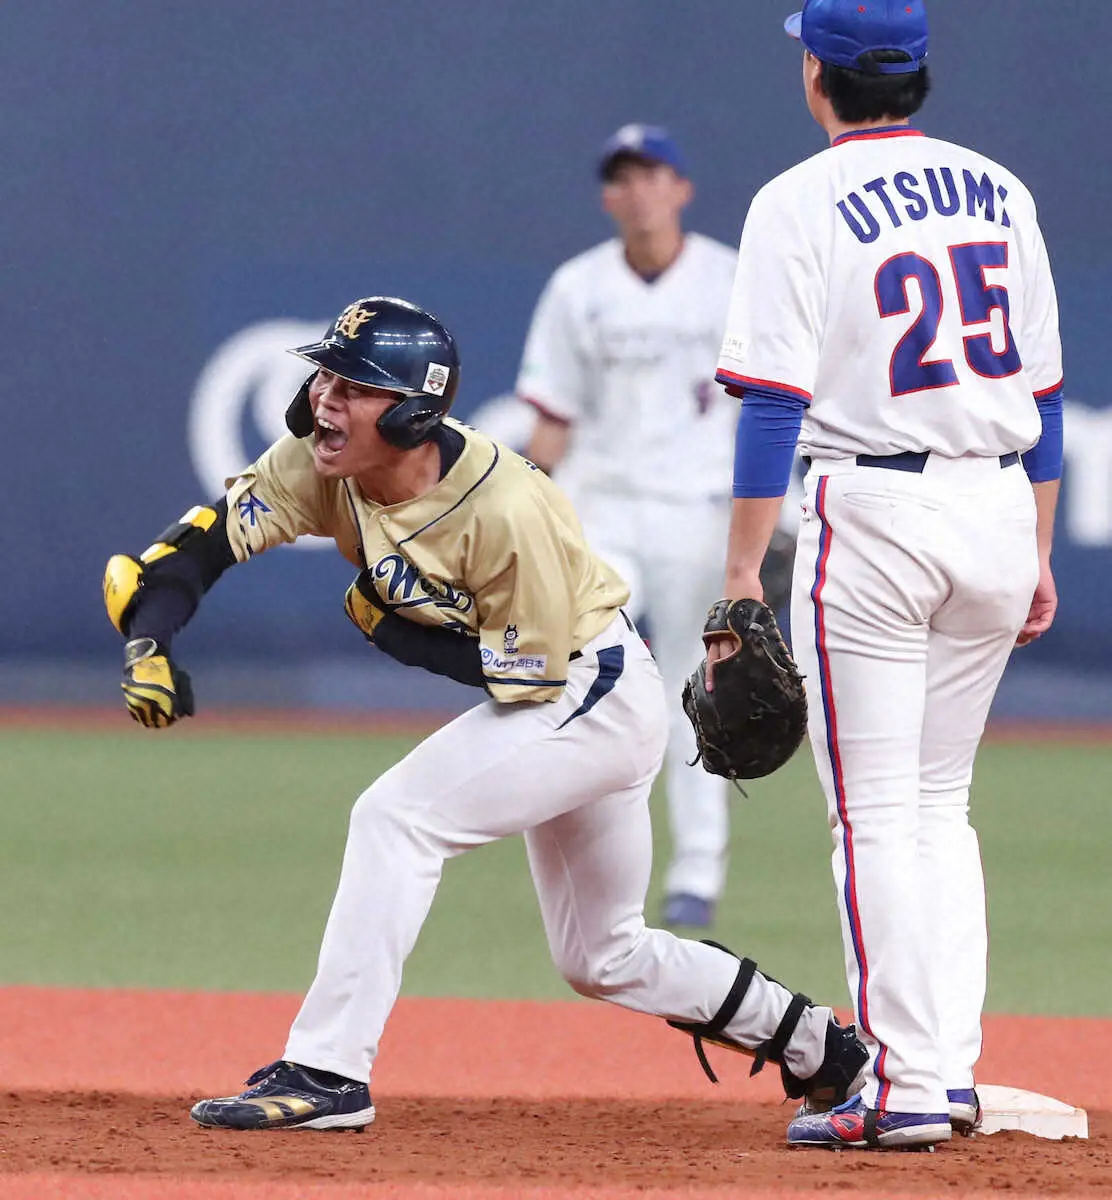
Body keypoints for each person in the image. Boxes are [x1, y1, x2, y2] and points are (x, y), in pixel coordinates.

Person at [102, 296, 867, 1132]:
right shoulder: (320, 465)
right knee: (601, 954)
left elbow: (517, 677)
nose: (325, 396)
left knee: (396, 818)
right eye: (325, 372)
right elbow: (203, 543)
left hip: (588, 688)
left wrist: (386, 627)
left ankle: (326, 1071)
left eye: (354, 384)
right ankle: (819, 1047)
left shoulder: (505, 508)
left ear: (413, 411)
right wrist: (151, 641)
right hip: (570, 692)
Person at [709, 0, 1064, 1151]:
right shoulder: (999, 187)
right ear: (912, 75)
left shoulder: (794, 199)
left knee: (869, 818)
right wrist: (1037, 548)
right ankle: (943, 1068)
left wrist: (737, 580)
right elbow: (1046, 404)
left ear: (815, 73)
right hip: (997, 504)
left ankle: (904, 1085)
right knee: (935, 806)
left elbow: (772, 403)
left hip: (873, 510)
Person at [516, 123, 793, 931]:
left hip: (701, 510)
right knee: (582, 669)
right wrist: (528, 507)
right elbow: (554, 419)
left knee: (694, 686)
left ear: (682, 188)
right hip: (605, 506)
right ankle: (587, 852)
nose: (638, 191)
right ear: (608, 194)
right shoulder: (578, 287)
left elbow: (768, 410)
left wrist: (773, 513)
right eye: (623, 178)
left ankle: (698, 871)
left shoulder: (729, 279)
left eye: (653, 175)